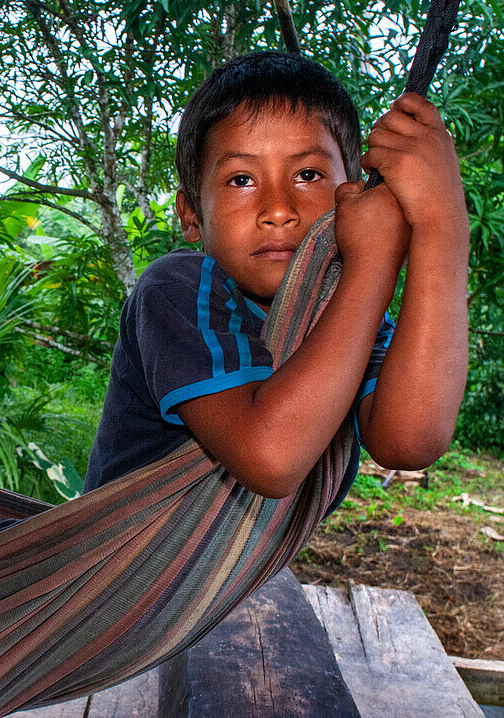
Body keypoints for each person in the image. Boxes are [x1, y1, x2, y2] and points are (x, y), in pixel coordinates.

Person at [83, 52, 468, 513]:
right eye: (241, 179)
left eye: (307, 174)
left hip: (220, 579)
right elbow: (271, 457)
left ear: (354, 195)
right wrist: (372, 266)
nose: (278, 209)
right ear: (191, 215)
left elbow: (408, 442)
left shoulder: (345, 314)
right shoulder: (176, 290)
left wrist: (441, 228)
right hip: (116, 572)